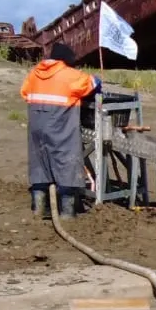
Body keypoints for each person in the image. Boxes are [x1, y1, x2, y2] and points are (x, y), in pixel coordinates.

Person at [20, 43, 102, 219]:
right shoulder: (70, 75)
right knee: (66, 163)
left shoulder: (34, 73)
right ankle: (67, 213)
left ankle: (39, 209)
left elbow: (25, 92)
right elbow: (94, 83)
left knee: (39, 164)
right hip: (60, 127)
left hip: (36, 127)